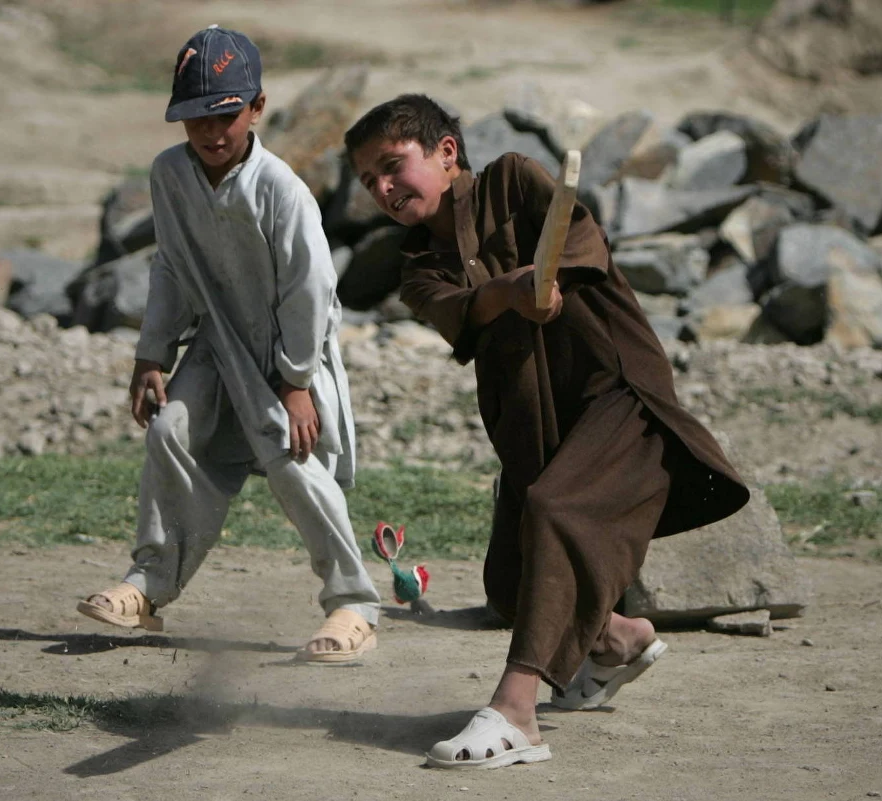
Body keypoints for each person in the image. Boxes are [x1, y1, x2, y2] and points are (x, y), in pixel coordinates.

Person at [345, 94, 749, 768]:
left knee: (556, 509)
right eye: (368, 181)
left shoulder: (511, 180)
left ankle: (516, 714)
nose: (383, 189)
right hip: (537, 429)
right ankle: (618, 640)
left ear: (446, 152)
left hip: (618, 395)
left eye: (392, 166)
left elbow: (582, 240)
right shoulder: (418, 269)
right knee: (511, 583)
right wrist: (512, 290)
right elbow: (460, 310)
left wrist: (550, 278)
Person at [77, 26, 380, 663]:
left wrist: (295, 382)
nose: (211, 133)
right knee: (169, 433)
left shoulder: (281, 189)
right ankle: (148, 585)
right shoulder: (170, 174)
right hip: (216, 342)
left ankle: (354, 604)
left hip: (284, 352)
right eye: (196, 119)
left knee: (294, 461)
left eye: (226, 116)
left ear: (257, 107)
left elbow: (310, 289)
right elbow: (171, 265)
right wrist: (153, 353)